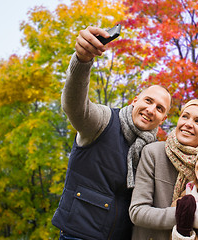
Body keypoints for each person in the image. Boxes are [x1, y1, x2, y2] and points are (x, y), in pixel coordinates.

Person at [51, 26, 172, 240]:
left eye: (160, 108)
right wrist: (81, 60)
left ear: (163, 119)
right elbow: (75, 106)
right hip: (79, 235)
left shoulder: (153, 151)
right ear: (135, 101)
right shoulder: (104, 121)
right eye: (148, 101)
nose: (151, 109)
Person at [129, 99, 198, 239]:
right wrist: (185, 215)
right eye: (185, 116)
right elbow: (137, 212)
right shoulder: (153, 153)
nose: (188, 124)